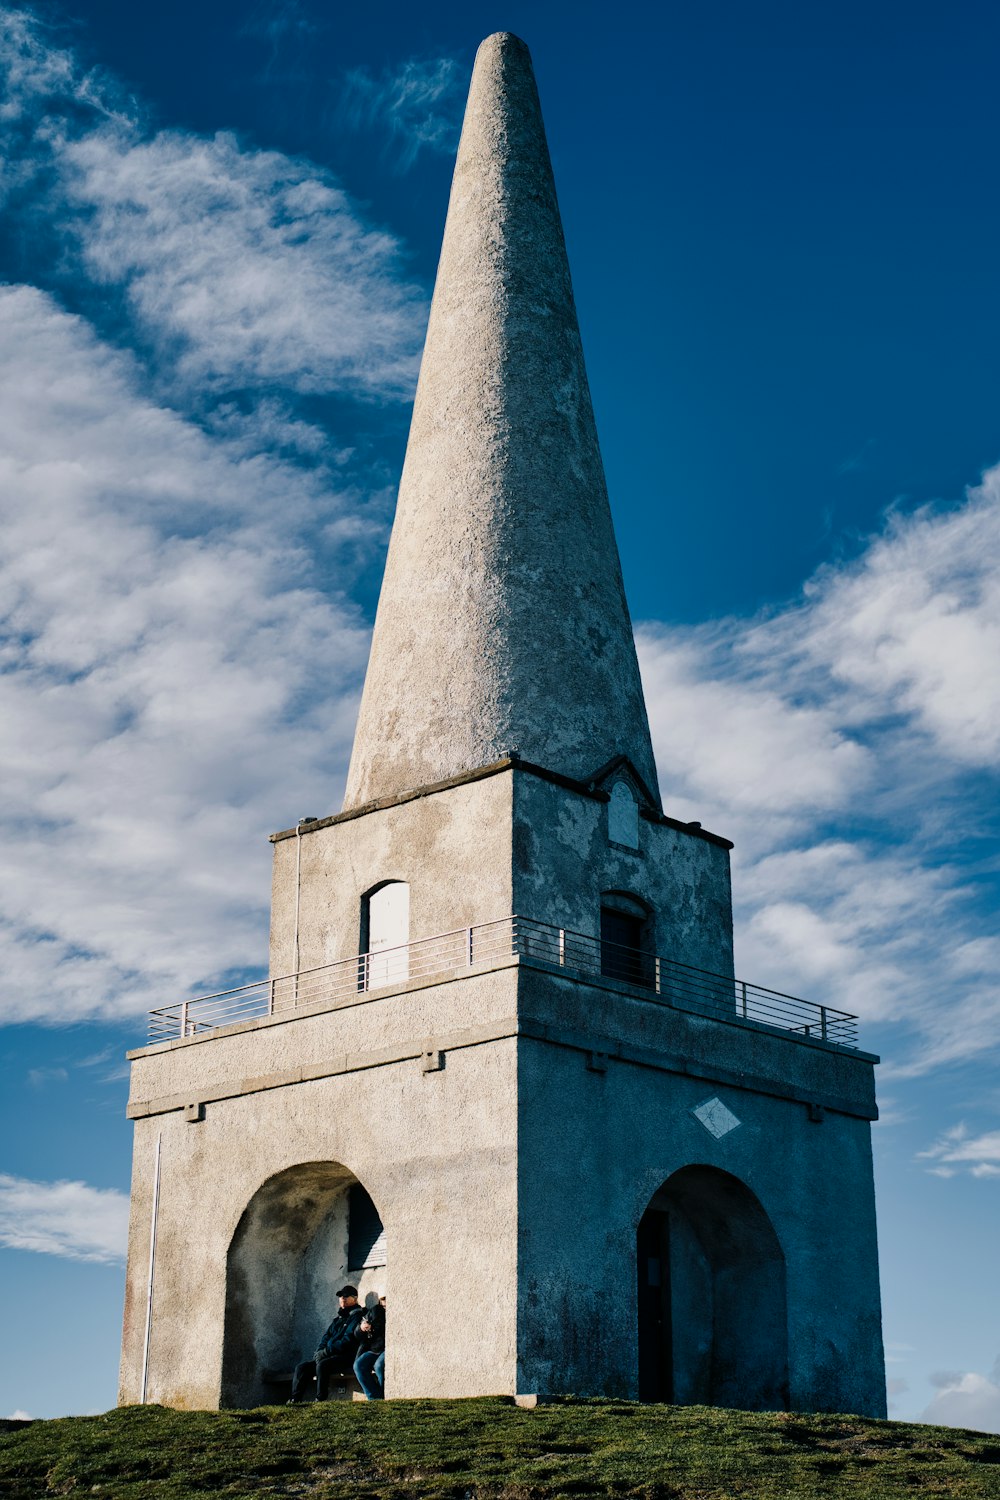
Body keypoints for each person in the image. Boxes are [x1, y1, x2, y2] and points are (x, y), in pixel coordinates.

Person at [288, 1285, 365, 1402]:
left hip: (345, 1357)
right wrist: (319, 1352)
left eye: (346, 1296)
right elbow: (326, 1337)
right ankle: (295, 1400)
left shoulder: (357, 1317)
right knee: (302, 1368)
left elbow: (347, 1341)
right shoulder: (337, 1319)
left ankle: (320, 1398)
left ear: (354, 1299)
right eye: (340, 1296)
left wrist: (325, 1352)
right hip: (328, 1356)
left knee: (323, 1365)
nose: (342, 1298)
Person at [353, 1294, 386, 1401]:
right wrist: (361, 1328)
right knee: (359, 1365)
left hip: (388, 1349)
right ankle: (374, 1397)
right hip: (374, 1349)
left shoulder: (398, 1310)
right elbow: (357, 1333)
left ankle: (385, 1394)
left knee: (379, 1365)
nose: (384, 1303)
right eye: (382, 1300)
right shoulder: (375, 1311)